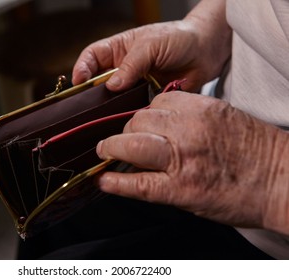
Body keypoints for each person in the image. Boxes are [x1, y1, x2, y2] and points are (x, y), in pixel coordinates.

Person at [68, 0, 289, 259]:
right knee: (57, 220)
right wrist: (207, 30)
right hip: (209, 142)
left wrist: (272, 174)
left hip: (269, 234)